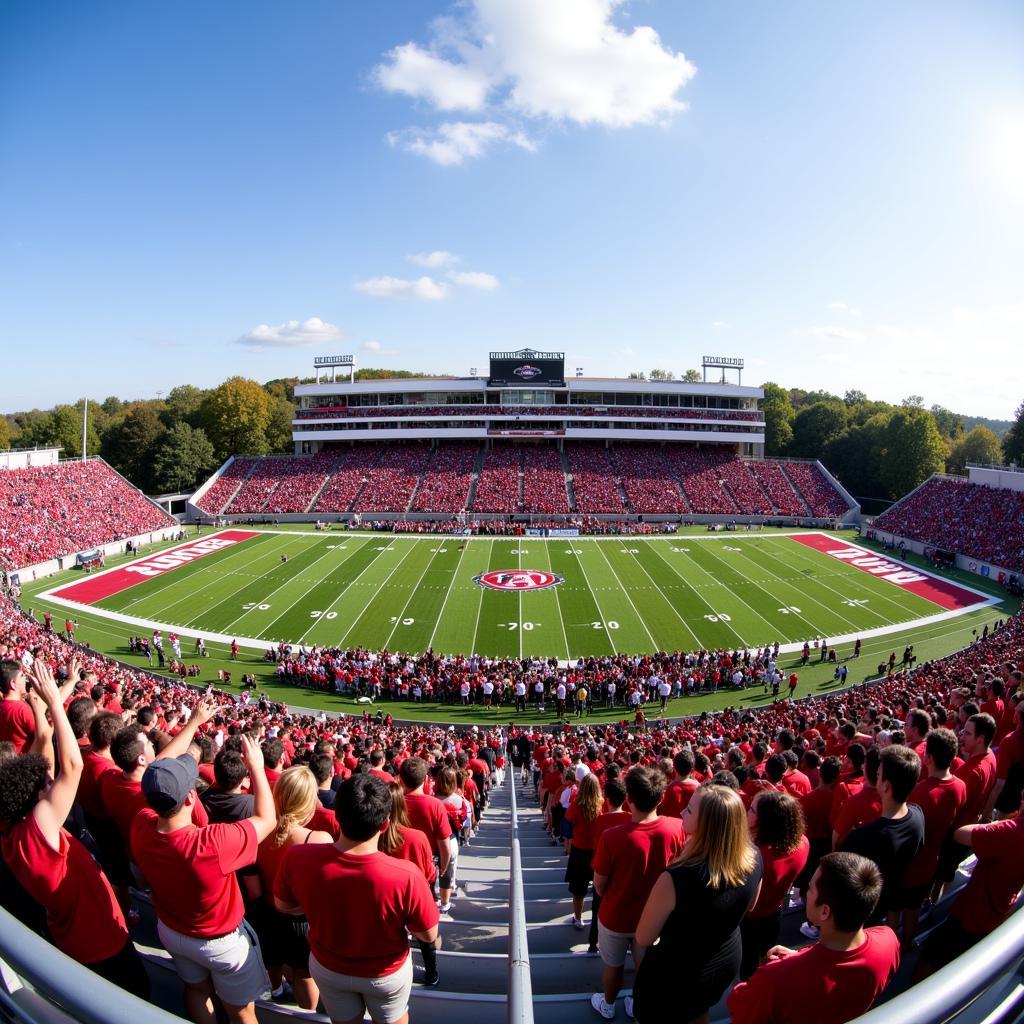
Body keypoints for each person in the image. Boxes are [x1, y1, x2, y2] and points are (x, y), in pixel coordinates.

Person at [0, 658, 149, 996]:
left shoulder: (14, 829)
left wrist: (44, 707)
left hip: (72, 932)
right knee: (135, 996)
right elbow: (70, 766)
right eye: (43, 784)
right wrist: (53, 702)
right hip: (100, 941)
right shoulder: (35, 833)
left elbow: (43, 759)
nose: (48, 782)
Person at [131, 732, 276, 1024]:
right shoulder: (211, 844)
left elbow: (155, 778)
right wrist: (257, 767)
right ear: (189, 797)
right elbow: (268, 819)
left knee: (197, 990)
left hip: (172, 930)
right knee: (242, 1011)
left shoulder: (141, 824)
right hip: (221, 943)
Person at [274, 773, 440, 1024]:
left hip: (328, 966)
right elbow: (428, 935)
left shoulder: (297, 857)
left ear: (337, 816)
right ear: (385, 824)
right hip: (384, 973)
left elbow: (284, 905)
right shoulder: (407, 875)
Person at [631, 784, 763, 1024]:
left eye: (690, 810)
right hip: (726, 959)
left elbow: (643, 938)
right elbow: (751, 905)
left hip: (678, 974)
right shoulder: (755, 856)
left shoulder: (676, 878)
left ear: (707, 826)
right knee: (698, 1009)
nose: (682, 812)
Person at [727, 853, 901, 1024]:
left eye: (810, 889)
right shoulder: (888, 940)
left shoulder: (774, 979)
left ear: (824, 912)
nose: (806, 893)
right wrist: (800, 958)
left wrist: (782, 970)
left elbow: (739, 1008)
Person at [590, 766, 685, 1020]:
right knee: (644, 965)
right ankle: (637, 1002)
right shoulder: (677, 828)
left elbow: (599, 885)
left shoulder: (612, 837)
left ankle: (608, 1005)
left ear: (629, 799)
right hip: (654, 917)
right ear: (661, 797)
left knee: (614, 966)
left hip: (616, 915)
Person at [918, 788, 1024, 977]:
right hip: (998, 908)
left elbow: (960, 834)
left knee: (930, 956)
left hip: (973, 914)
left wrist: (1000, 823)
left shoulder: (1012, 831)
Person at [252, 766, 333, 1008]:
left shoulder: (258, 829)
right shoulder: (318, 840)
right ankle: (305, 1016)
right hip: (301, 923)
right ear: (309, 803)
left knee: (273, 961)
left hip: (266, 915)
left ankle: (275, 991)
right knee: (304, 974)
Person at [840, 745, 924, 923]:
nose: (874, 777)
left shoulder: (861, 838)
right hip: (892, 896)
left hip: (868, 911)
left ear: (886, 786)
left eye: (878, 775)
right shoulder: (918, 814)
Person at [741, 789, 809, 978]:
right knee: (765, 958)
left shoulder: (754, 856)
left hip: (749, 921)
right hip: (774, 913)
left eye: (752, 810)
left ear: (766, 822)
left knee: (747, 966)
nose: (747, 811)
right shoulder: (803, 843)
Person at [379, 781, 440, 986]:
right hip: (414, 898)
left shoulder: (372, 838)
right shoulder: (417, 837)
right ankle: (431, 973)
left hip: (384, 900)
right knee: (426, 940)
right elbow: (430, 874)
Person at [399, 756, 453, 912]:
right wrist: (443, 867)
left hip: (398, 863)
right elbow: (445, 845)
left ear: (401, 778)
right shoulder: (435, 805)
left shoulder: (395, 801)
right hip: (425, 867)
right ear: (427, 779)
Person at [565, 771, 603, 930]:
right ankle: (598, 921)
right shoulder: (603, 803)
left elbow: (567, 823)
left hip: (580, 851)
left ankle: (578, 918)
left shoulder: (576, 804)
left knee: (578, 890)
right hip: (597, 852)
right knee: (599, 890)